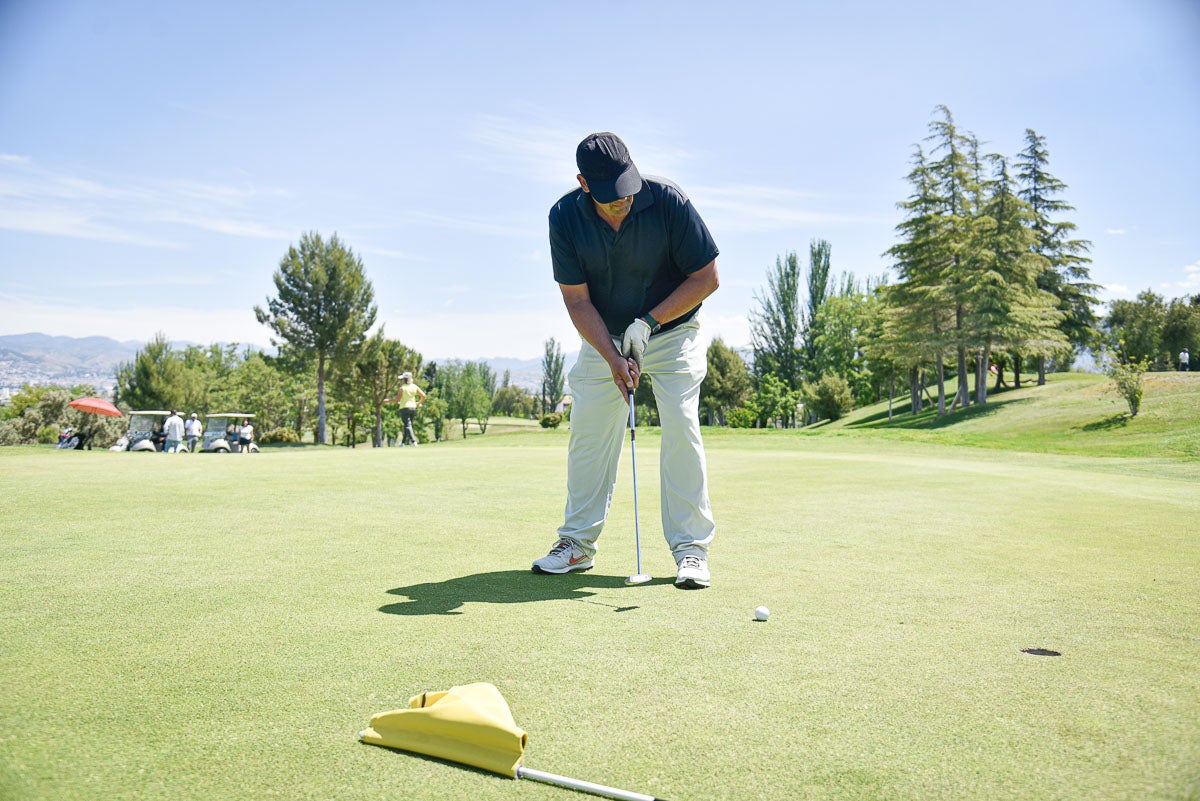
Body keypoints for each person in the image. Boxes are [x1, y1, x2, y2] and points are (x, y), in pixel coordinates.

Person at [532, 132, 720, 590]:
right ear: (583, 184)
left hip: (673, 330)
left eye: (628, 189)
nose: (624, 202)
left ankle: (691, 551)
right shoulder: (564, 218)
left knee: (680, 425)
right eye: (612, 198)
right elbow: (577, 302)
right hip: (605, 336)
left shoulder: (669, 201)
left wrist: (649, 323)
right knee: (589, 433)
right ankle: (576, 544)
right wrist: (613, 355)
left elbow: (707, 277)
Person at [384, 372, 427, 446]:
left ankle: (413, 441)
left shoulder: (402, 388)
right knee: (408, 426)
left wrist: (388, 401)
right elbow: (424, 396)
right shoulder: (414, 387)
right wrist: (418, 403)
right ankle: (403, 443)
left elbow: (397, 400)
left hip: (404, 408)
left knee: (407, 425)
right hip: (413, 408)